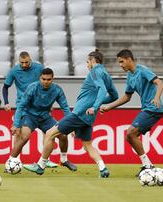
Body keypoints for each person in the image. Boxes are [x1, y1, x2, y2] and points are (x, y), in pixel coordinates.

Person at [23, 50, 119, 178]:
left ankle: (40, 166)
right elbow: (114, 96)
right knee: (88, 145)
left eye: (87, 62)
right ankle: (103, 168)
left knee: (50, 133)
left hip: (79, 113)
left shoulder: (95, 71)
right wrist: (96, 105)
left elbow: (101, 89)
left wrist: (95, 106)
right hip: (89, 117)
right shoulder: (106, 74)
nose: (87, 65)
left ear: (92, 61)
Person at [100, 49, 163, 176]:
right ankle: (147, 165)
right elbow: (127, 97)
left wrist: (156, 98)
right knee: (130, 136)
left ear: (129, 59)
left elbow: (160, 83)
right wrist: (109, 107)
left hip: (153, 109)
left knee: (130, 133)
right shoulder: (130, 75)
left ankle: (148, 165)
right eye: (119, 63)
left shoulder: (142, 70)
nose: (120, 65)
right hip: (146, 109)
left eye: (122, 62)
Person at [10, 68, 77, 172]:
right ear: (40, 78)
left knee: (63, 135)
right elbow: (21, 106)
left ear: (52, 79)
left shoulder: (57, 90)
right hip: (30, 116)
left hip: (46, 118)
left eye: (48, 79)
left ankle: (64, 160)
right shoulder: (32, 88)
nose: (46, 82)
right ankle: (10, 161)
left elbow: (65, 108)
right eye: (43, 79)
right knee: (24, 137)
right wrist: (16, 124)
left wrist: (71, 125)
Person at [2, 51, 58, 168]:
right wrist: (6, 102)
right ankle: (14, 161)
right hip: (23, 106)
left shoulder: (39, 68)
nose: (24, 64)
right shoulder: (14, 71)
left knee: (47, 131)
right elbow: (6, 87)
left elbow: (47, 82)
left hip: (40, 104)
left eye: (26, 62)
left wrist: (49, 101)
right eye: (21, 62)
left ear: (30, 59)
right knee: (19, 132)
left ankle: (45, 159)